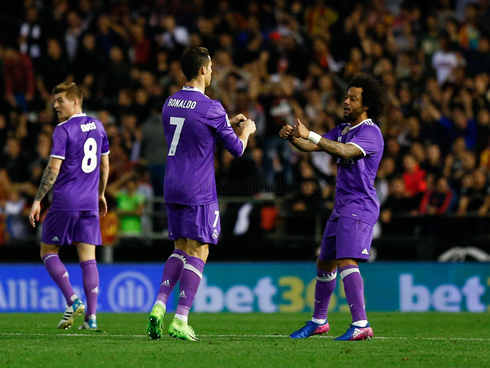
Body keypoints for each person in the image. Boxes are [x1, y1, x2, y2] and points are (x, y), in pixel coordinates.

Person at [147, 47, 256, 341]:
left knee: (180, 247)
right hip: (198, 188)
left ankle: (159, 305)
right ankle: (180, 319)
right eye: (211, 67)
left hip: (172, 185)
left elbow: (193, 129)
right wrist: (246, 130)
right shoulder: (212, 107)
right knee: (200, 250)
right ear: (204, 70)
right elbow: (236, 149)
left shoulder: (170, 102)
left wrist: (225, 122)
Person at [279, 73, 386, 341]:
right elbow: (310, 146)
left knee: (346, 260)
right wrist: (293, 137)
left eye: (353, 98)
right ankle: (319, 322)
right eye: (346, 96)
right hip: (341, 207)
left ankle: (361, 324)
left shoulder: (371, 132)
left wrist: (310, 134)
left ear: (367, 105)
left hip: (360, 206)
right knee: (324, 262)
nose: (346, 101)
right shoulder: (342, 129)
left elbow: (344, 151)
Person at [28, 82, 110, 331]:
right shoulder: (98, 126)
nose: (55, 106)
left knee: (48, 251)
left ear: (76, 102)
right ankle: (92, 319)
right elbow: (104, 165)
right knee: (88, 258)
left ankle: (73, 301)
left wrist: (37, 200)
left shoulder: (63, 130)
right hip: (89, 203)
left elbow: (53, 168)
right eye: (55, 101)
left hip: (65, 201)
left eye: (60, 100)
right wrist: (101, 193)